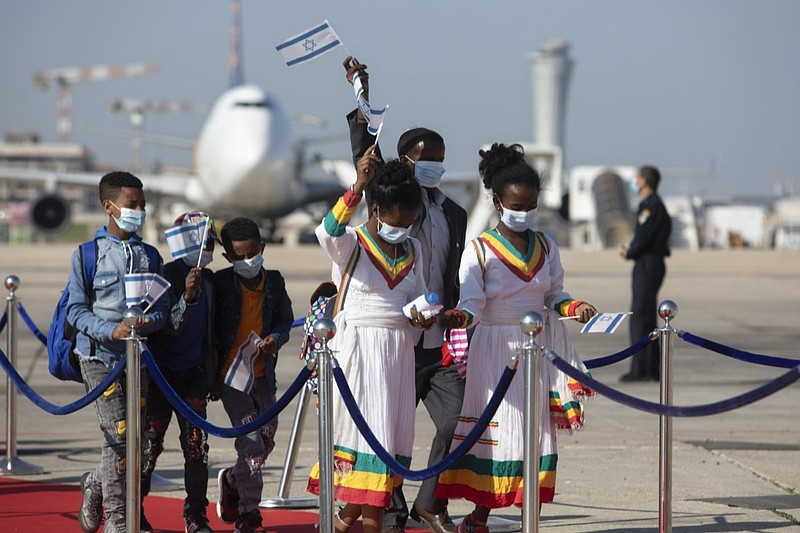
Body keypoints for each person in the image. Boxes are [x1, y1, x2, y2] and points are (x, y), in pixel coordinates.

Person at [437, 144, 597, 533]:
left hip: (537, 347)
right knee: (502, 434)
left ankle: (529, 522)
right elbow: (472, 303)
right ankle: (477, 520)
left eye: (529, 206)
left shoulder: (547, 245)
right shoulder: (479, 250)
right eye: (516, 206)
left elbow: (554, 293)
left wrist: (572, 307)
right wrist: (459, 317)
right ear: (496, 201)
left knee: (536, 436)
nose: (523, 214)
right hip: (497, 352)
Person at [344, 56, 468, 533]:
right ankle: (387, 507)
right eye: (426, 157)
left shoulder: (452, 212)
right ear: (406, 160)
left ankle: (428, 501)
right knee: (386, 433)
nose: (434, 165)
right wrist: (362, 94)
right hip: (392, 341)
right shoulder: (391, 205)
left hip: (435, 342)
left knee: (458, 417)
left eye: (440, 157)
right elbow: (365, 153)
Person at [307, 154, 434, 533]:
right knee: (369, 440)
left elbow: (420, 295)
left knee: (389, 439)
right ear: (376, 210)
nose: (402, 229)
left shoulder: (414, 250)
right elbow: (326, 231)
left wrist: (422, 315)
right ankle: (369, 525)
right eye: (396, 222)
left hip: (398, 352)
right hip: (360, 353)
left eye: (409, 223)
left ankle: (344, 521)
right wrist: (358, 187)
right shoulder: (353, 244)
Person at [69, 171, 169, 533]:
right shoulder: (87, 255)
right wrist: (111, 329)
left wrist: (147, 323)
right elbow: (75, 310)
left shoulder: (151, 256)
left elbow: (163, 309)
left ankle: (95, 484)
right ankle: (117, 518)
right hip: (99, 359)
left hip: (137, 360)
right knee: (118, 434)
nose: (139, 211)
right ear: (108, 207)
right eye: (132, 205)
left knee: (136, 442)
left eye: (142, 205)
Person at [213, 217, 294, 533]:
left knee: (267, 436)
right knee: (251, 445)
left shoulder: (273, 282)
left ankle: (233, 479)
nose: (247, 262)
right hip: (232, 379)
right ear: (227, 258)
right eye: (239, 257)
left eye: (252, 254)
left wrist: (276, 338)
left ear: (262, 248)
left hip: (261, 376)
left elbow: (285, 320)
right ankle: (249, 513)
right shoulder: (221, 284)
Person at [142, 211, 218, 533]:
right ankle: (132, 507)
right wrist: (186, 298)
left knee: (196, 447)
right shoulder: (166, 276)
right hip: (162, 377)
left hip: (194, 377)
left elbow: (213, 333)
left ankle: (196, 514)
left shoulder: (212, 281)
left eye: (211, 242)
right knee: (149, 446)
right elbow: (166, 329)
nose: (207, 248)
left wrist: (212, 373)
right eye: (202, 242)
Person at [619, 165, 672, 382]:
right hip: (649, 262)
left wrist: (631, 251)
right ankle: (650, 368)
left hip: (648, 264)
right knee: (647, 317)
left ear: (644, 181)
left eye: (637, 177)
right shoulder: (652, 205)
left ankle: (642, 369)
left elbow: (645, 237)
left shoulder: (652, 207)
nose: (635, 181)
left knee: (640, 317)